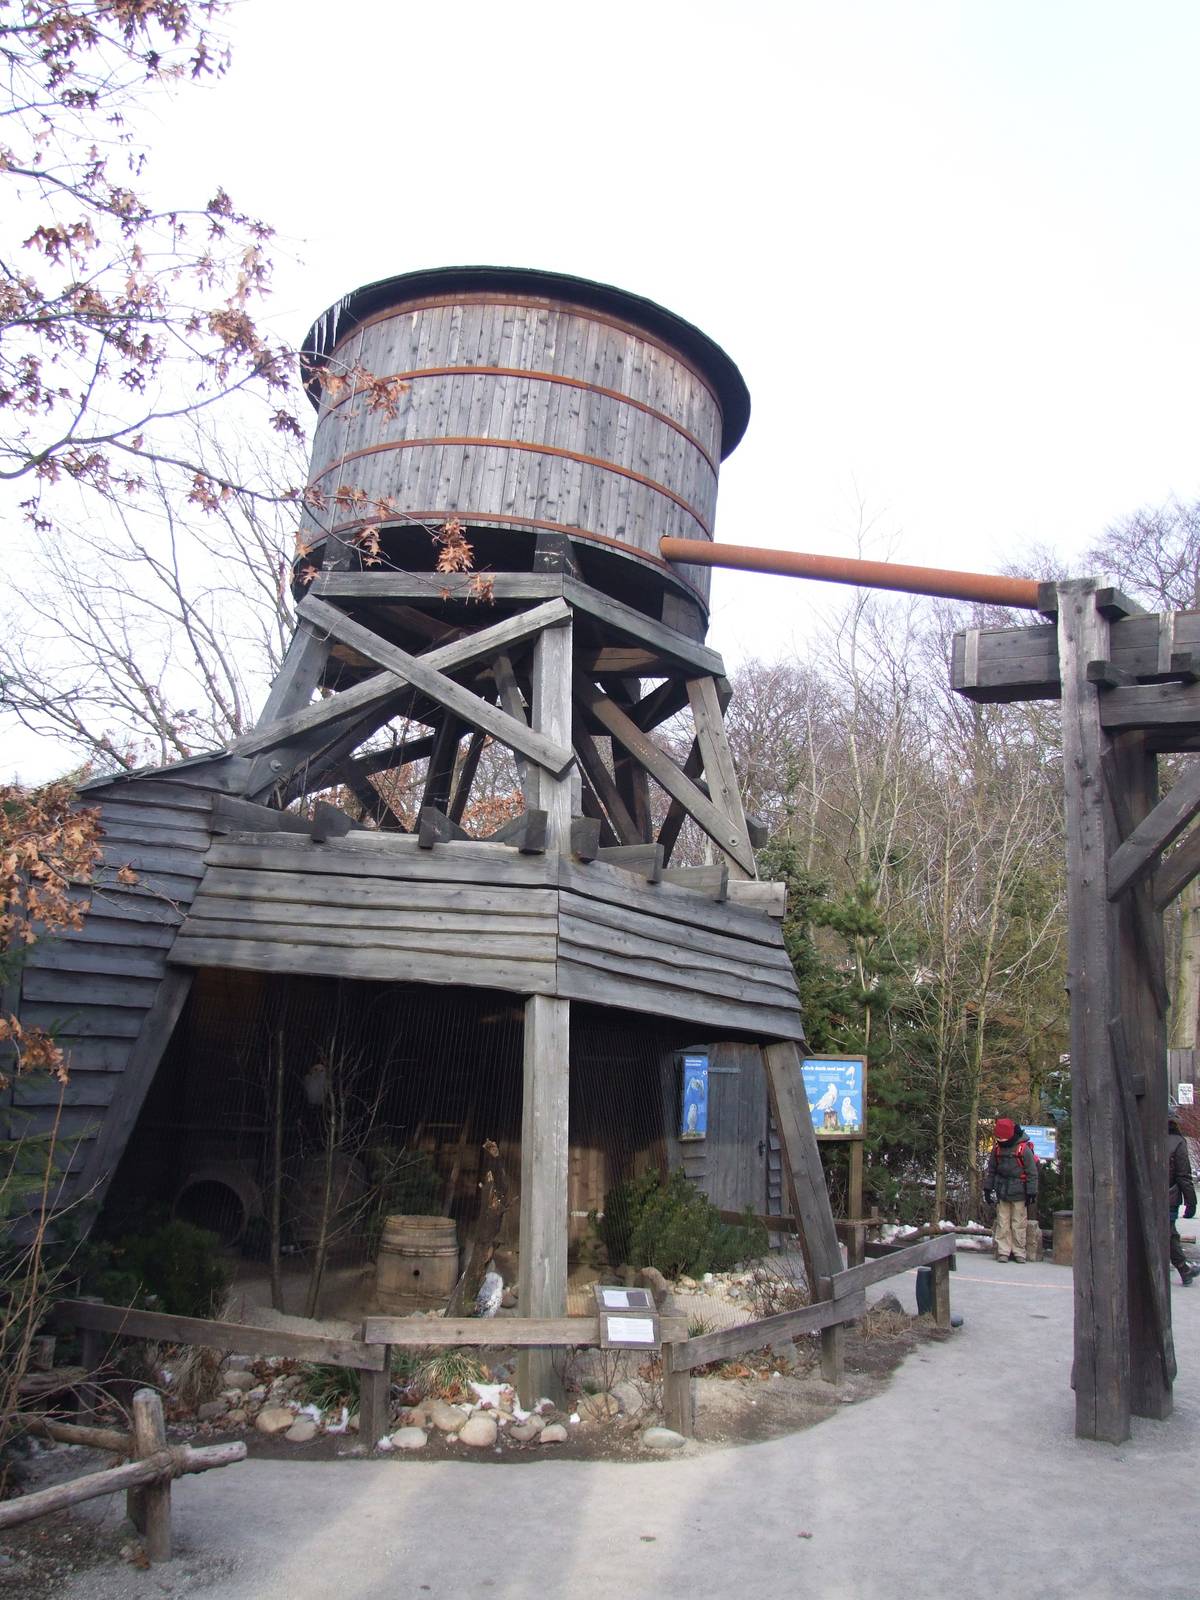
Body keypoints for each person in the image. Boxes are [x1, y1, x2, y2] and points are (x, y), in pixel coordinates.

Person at [984, 1117, 1038, 1263]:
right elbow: (992, 1170)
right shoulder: (997, 1149)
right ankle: (1003, 1251)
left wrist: (1031, 1192)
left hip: (1020, 1191)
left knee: (1018, 1223)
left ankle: (1019, 1251)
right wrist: (987, 1189)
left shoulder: (1024, 1150)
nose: (1000, 1141)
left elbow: (1032, 1173)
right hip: (1002, 1191)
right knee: (1003, 1222)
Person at [1168, 1116, 1198, 1287]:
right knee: (1169, 1234)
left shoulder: (1147, 1136)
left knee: (1168, 1234)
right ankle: (1184, 1269)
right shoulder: (1177, 1142)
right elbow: (1183, 1175)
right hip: (1169, 1197)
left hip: (1150, 1195)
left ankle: (1184, 1269)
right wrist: (1191, 1202)